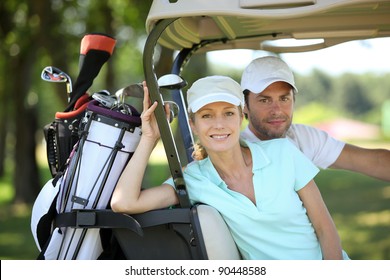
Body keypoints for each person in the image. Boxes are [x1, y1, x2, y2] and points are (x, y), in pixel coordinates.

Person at [111, 75, 345, 260]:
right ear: (193, 124)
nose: (219, 125)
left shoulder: (283, 152)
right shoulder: (193, 179)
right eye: (207, 116)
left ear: (241, 116)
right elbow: (125, 202)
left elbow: (325, 229)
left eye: (228, 113)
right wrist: (149, 138)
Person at [240, 56, 390, 182]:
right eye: (264, 100)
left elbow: (373, 161)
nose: (277, 110)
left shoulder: (304, 137)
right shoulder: (234, 150)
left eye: (284, 98)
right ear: (244, 105)